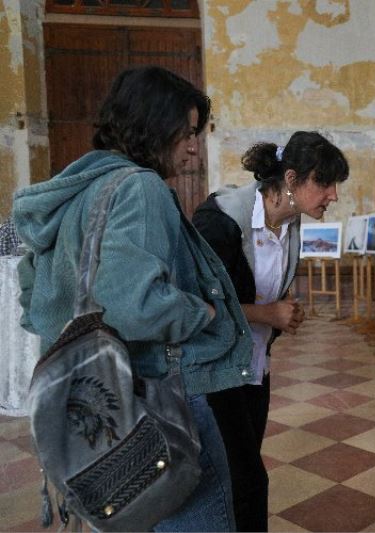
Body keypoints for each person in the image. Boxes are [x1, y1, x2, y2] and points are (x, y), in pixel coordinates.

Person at [12, 66, 251, 532]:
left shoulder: (76, 190)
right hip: (153, 395)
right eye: (186, 132)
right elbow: (135, 304)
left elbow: (30, 296)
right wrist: (198, 311)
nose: (193, 145)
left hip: (91, 402)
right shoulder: (141, 187)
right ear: (152, 126)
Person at [192, 131, 349, 531]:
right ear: (291, 179)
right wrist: (268, 314)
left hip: (255, 367)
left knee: (242, 471)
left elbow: (264, 289)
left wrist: (281, 314)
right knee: (247, 481)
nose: (333, 195)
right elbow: (198, 307)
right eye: (325, 183)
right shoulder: (221, 222)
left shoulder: (290, 223)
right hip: (216, 371)